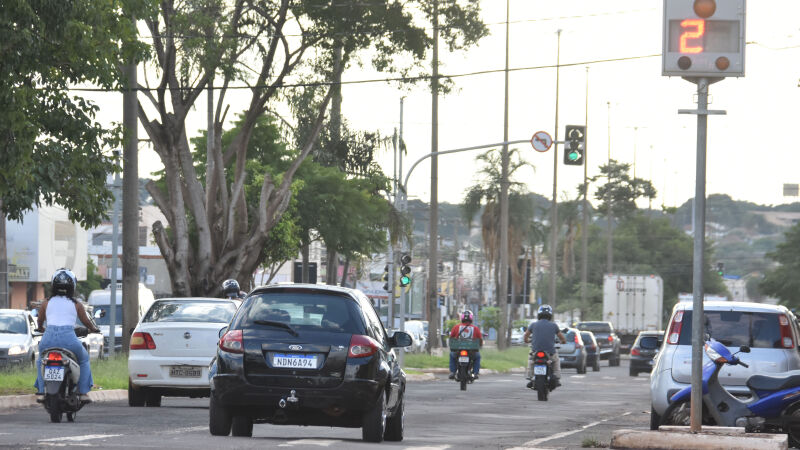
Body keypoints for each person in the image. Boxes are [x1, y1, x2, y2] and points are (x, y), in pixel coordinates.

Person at [34, 268, 100, 402]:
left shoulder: (46, 302)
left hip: (48, 338)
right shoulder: (76, 304)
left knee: (41, 360)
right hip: (68, 339)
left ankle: (41, 391)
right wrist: (93, 328)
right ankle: (82, 393)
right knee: (84, 359)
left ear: (53, 285)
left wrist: (41, 328)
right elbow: (86, 321)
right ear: (73, 287)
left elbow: (40, 320)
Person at [524, 304, 566, 388]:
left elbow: (526, 336)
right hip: (550, 353)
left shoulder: (533, 325)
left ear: (539, 314)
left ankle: (530, 376)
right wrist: (563, 342)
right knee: (556, 361)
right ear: (550, 315)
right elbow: (562, 338)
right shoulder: (554, 325)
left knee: (531, 360)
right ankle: (557, 378)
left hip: (535, 351)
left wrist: (527, 341)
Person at [448, 310, 483, 380]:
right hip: (472, 352)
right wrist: (480, 345)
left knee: (452, 355)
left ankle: (453, 372)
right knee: (478, 357)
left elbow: (451, 338)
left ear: (462, 318)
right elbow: (480, 339)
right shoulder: (475, 328)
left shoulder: (456, 327)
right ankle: (475, 373)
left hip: (458, 351)